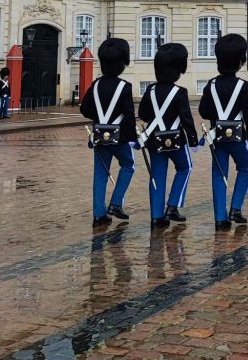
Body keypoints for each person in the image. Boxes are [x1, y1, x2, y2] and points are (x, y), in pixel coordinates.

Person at [198, 33, 248, 231]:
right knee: (246, 169)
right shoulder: (243, 86)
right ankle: (236, 208)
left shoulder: (211, 85)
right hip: (238, 137)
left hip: (218, 137)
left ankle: (220, 218)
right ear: (240, 62)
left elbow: (203, 111)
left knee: (219, 174)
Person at [137, 43, 197, 229]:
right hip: (176, 140)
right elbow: (186, 118)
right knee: (185, 168)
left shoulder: (150, 91)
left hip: (155, 140)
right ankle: (173, 205)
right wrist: (193, 140)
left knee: (157, 175)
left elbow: (144, 114)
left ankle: (156, 216)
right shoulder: (180, 92)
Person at [80, 38, 137, 228]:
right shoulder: (124, 87)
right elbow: (129, 116)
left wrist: (100, 120)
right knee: (128, 165)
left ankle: (99, 214)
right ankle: (116, 203)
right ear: (122, 63)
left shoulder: (95, 85)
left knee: (100, 174)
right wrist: (133, 139)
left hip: (99, 135)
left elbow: (85, 109)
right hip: (119, 136)